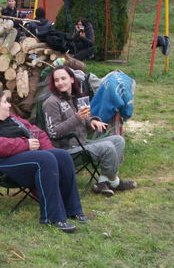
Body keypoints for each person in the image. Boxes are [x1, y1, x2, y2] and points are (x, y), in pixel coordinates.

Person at [0, 89, 87, 234]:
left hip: (25, 157)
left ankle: (73, 210)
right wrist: (25, 144)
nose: (9, 105)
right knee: (45, 159)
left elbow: (38, 133)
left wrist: (49, 151)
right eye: (5, 102)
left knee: (62, 156)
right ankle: (52, 218)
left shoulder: (13, 119)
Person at [41, 66, 136, 197]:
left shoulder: (74, 98)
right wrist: (77, 117)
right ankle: (114, 182)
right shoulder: (51, 103)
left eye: (63, 78)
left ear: (72, 79)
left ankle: (103, 181)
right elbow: (53, 132)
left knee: (118, 140)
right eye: (56, 80)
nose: (60, 83)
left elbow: (83, 120)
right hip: (67, 150)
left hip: (82, 143)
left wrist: (92, 121)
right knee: (108, 147)